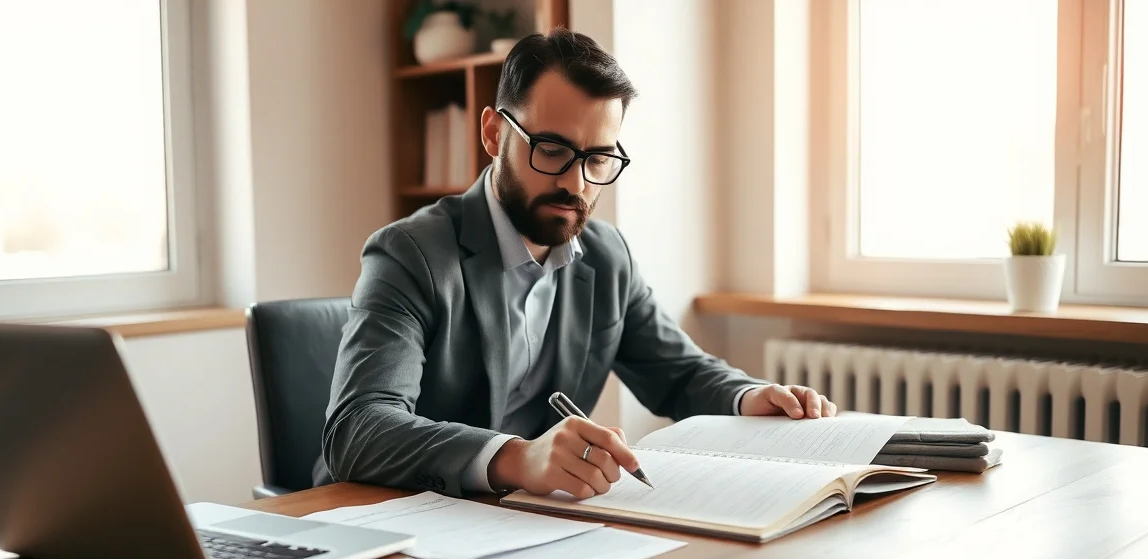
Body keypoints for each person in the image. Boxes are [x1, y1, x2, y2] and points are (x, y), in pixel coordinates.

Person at [314, 28, 835, 499]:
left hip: (531, 521)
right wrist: (517, 458)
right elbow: (358, 430)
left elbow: (679, 374)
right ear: (493, 134)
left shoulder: (607, 256)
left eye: (598, 158)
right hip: (394, 518)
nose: (576, 183)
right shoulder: (410, 253)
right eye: (551, 149)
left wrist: (749, 397)